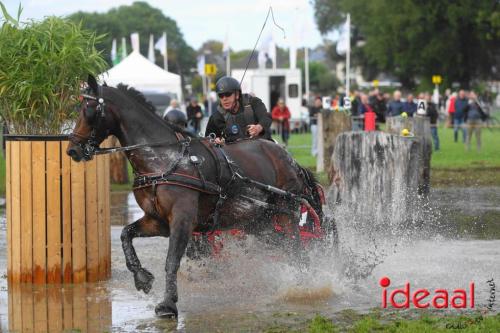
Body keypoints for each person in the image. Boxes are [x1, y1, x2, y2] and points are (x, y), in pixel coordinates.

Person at [205, 76, 272, 144]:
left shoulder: (253, 103)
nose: (224, 98)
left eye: (228, 94)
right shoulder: (216, 117)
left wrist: (259, 127)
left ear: (237, 94)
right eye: (221, 95)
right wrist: (215, 141)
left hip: (261, 147)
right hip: (233, 153)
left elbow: (266, 117)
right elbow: (208, 140)